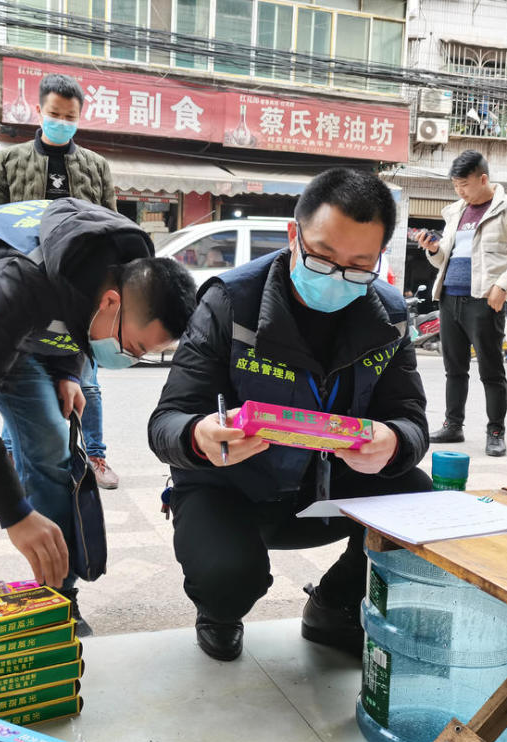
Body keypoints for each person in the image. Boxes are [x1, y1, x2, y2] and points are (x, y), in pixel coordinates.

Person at [0, 198, 197, 635]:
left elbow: (76, 312)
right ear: (112, 301)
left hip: (9, 332)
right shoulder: (19, 279)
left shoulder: (116, 266)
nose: (129, 359)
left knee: (49, 440)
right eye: (134, 348)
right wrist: (15, 514)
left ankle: (57, 593)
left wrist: (69, 371)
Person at [148, 169, 431, 663]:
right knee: (227, 576)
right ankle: (219, 611)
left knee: (420, 503)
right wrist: (200, 436)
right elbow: (167, 420)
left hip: (332, 487)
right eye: (321, 256)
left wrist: (394, 441)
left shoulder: (389, 316)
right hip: (234, 487)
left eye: (359, 266)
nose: (336, 276)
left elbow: (410, 417)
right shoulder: (230, 302)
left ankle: (334, 605)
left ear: (380, 256)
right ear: (293, 235)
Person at [0, 73, 121, 491]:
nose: (61, 122)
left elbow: (112, 227)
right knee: (17, 372)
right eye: (54, 114)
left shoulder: (96, 166)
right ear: (39, 111)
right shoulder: (11, 161)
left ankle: (95, 455)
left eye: (69, 116)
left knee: (88, 383)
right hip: (24, 284)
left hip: (80, 287)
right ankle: (13, 456)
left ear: (80, 116)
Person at [417, 151, 507, 457]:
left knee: (491, 370)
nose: (459, 191)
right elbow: (444, 259)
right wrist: (433, 250)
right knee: (454, 369)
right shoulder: (456, 211)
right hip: (449, 298)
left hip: (484, 300)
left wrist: (503, 286)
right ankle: (453, 425)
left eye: (464, 184)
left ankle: (495, 431)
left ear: (483, 178)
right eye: (455, 185)